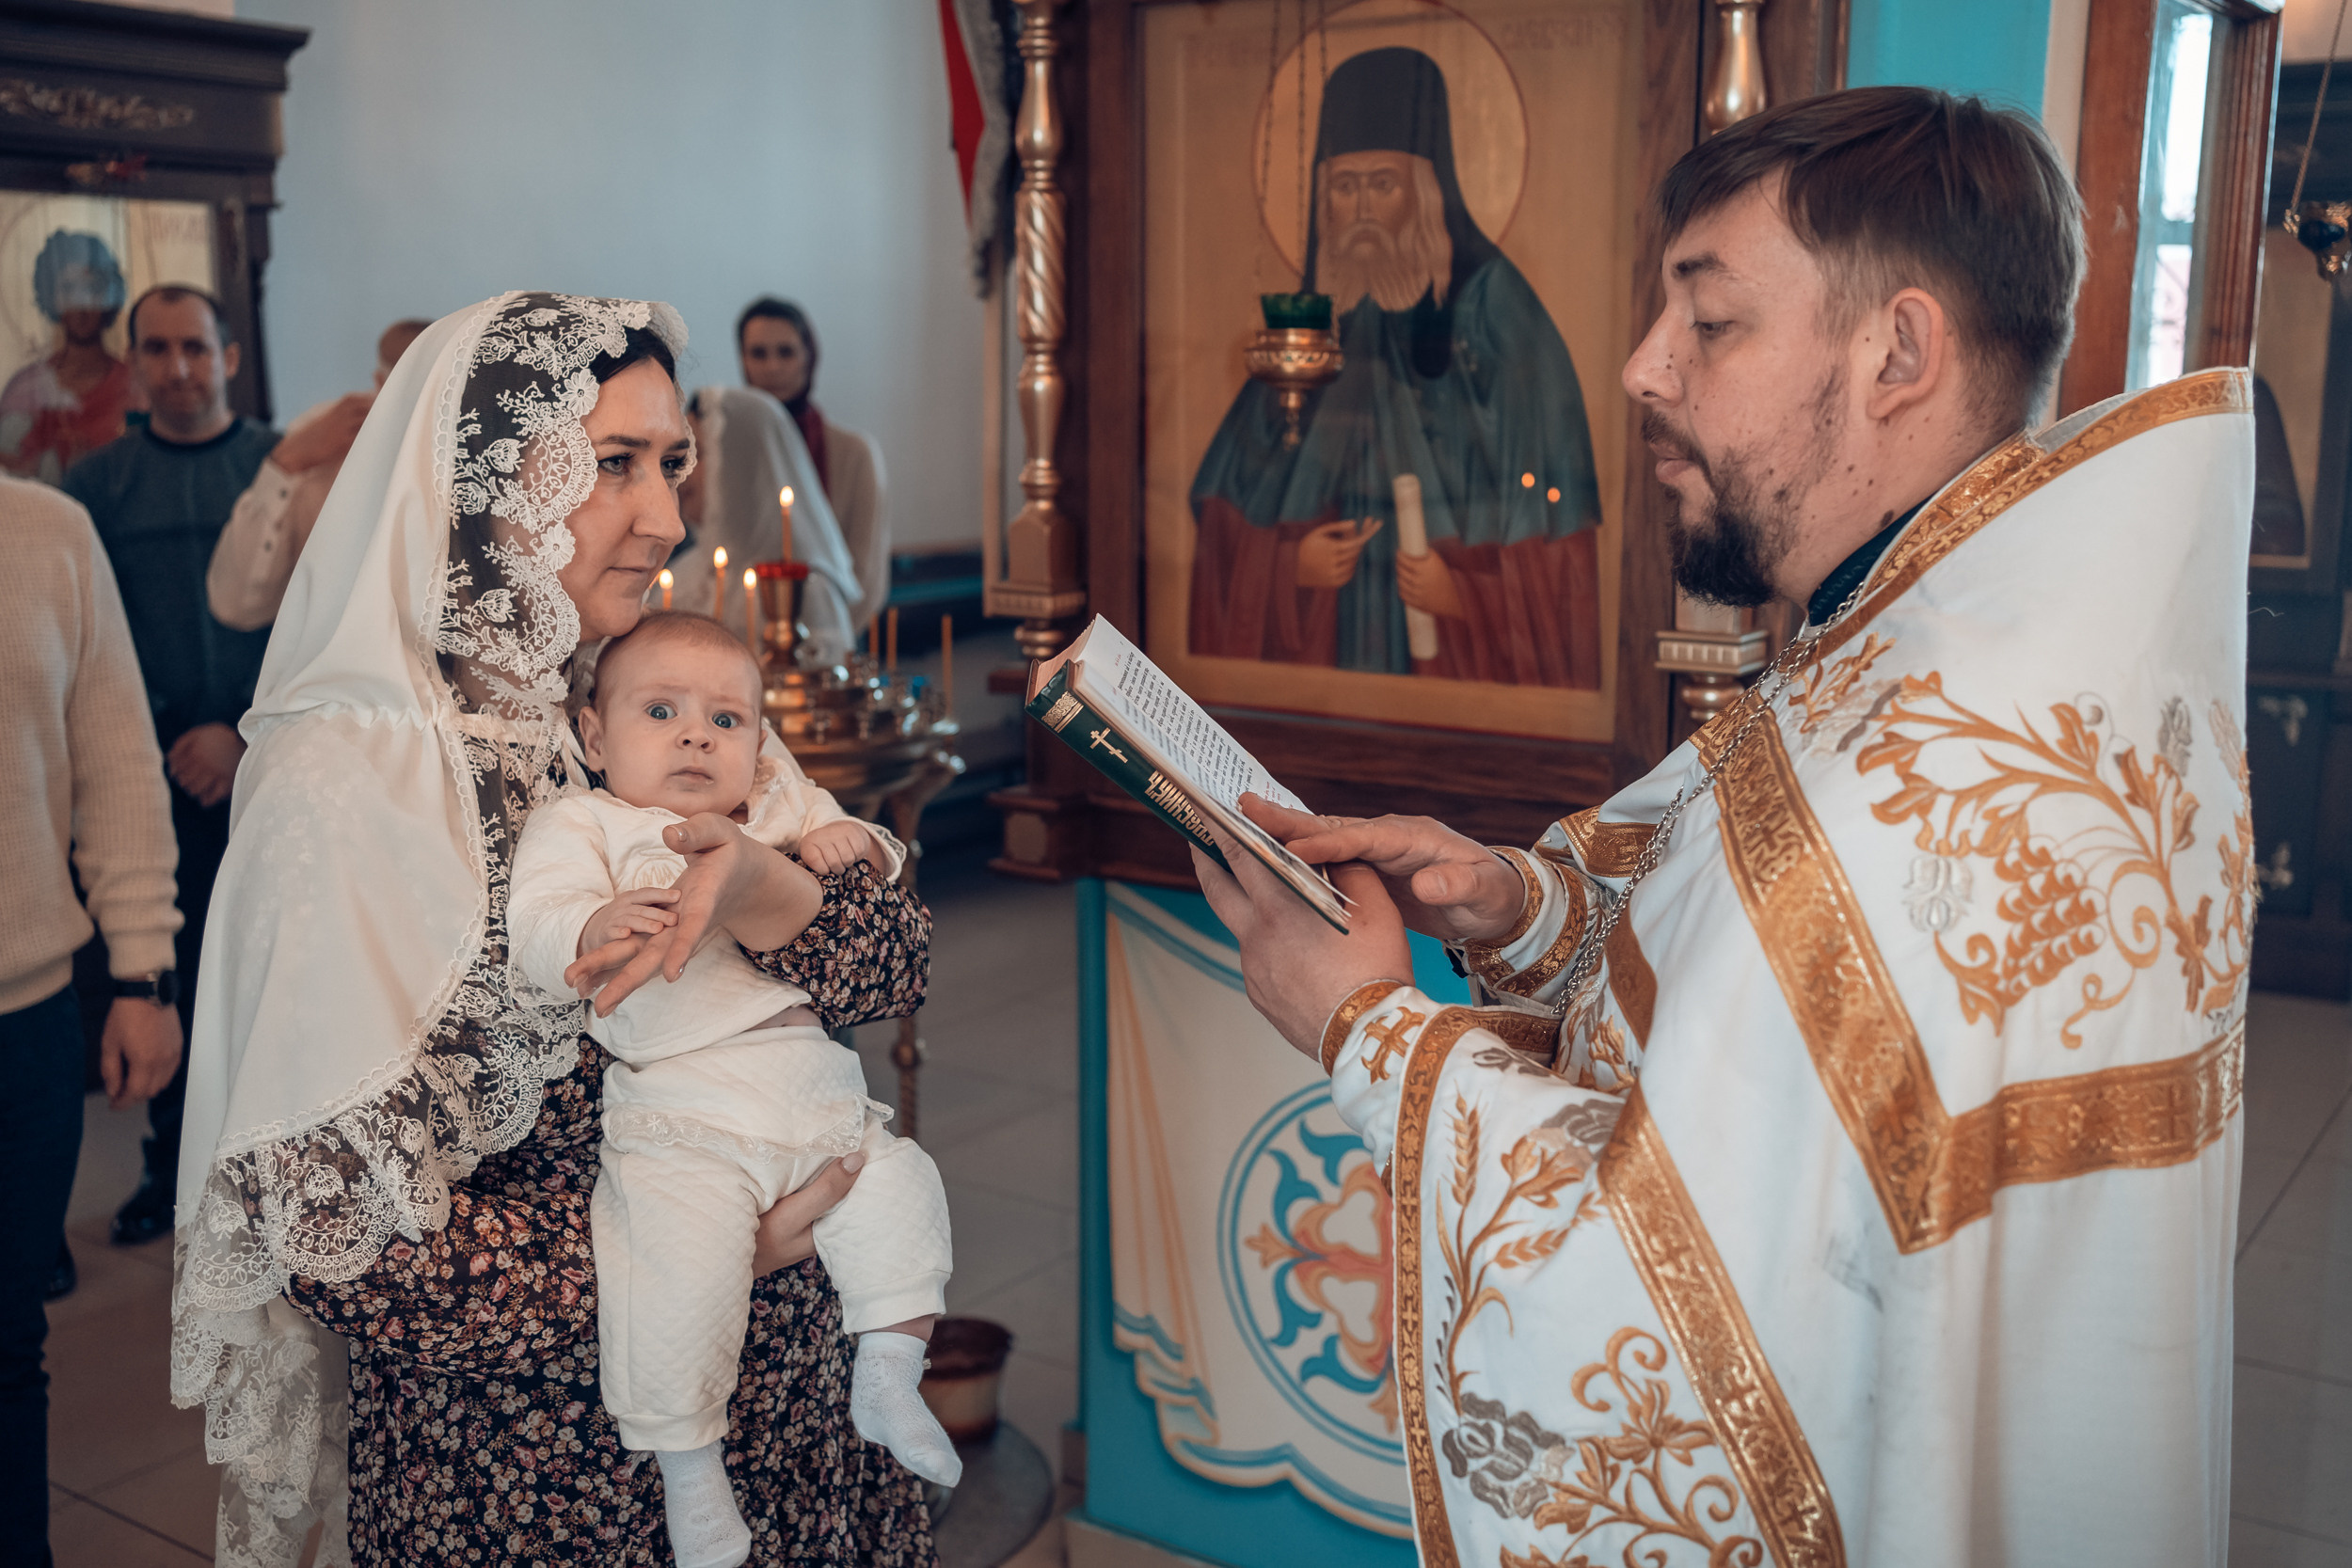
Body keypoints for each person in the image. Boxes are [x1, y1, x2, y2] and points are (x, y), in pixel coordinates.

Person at [1197, 88, 2249, 1566]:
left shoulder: (1930, 772)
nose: (1641, 366)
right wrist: (1515, 902)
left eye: (1712, 321)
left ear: (1898, 352)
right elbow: (1741, 931)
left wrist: (1366, 1024)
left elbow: (1672, 1327)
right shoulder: (1966, 657)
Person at [168, 293, 937, 1568]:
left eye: (672, 462)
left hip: (793, 1400)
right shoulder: (351, 782)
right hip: (546, 1464)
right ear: (478, 487)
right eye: (609, 465)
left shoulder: (635, 695)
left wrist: (771, 890)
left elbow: (893, 958)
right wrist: (711, 1247)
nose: (669, 516)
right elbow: (327, 1230)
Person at [510, 610, 957, 1566]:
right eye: (660, 710)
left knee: (901, 1186)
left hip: (811, 1089)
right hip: (682, 1111)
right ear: (593, 735)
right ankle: (690, 1474)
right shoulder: (582, 822)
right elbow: (536, 922)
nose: (693, 735)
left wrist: (852, 841)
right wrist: (591, 921)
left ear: (758, 743)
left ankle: (889, 1365)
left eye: (724, 719)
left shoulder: (771, 805)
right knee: (676, 1277)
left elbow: (876, 853)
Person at [1188, 46, 1604, 687]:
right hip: (1323, 684)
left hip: (1455, 682)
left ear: (1426, 192)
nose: (1359, 213)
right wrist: (1289, 565)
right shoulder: (1310, 331)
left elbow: (1559, 543)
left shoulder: (1498, 312)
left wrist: (1465, 596)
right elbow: (1222, 507)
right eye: (1344, 188)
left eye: (1382, 184)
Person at [61, 285, 278, 1249]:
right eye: (157, 348)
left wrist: (242, 732)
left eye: (196, 346)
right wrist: (156, 744)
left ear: (229, 355)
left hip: (267, 763)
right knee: (168, 968)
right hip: (147, 772)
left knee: (268, 968)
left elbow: (311, 621)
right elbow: (84, 637)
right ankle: (170, 1162)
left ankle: (270, 1165)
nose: (179, 365)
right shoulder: (96, 485)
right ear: (136, 362)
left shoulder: (279, 465)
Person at [0, 474, 183, 1568]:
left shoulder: (47, 530)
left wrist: (142, 974)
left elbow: (115, 762)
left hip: (22, 1013)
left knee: (9, 1342)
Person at [206, 317, 431, 631]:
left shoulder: (490, 453)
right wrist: (285, 463)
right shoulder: (321, 436)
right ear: (380, 381)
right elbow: (234, 604)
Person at [669, 382, 866, 662]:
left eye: (698, 454)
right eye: (680, 456)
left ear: (741, 465)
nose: (683, 471)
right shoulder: (681, 579)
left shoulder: (805, 591)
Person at [738, 298, 890, 628]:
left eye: (786, 352)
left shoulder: (855, 454)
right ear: (743, 361)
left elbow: (868, 575)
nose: (773, 367)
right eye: (759, 354)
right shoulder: (725, 452)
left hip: (831, 641)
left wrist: (817, 642)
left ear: (810, 357)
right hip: (740, 635)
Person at [0, 230, 146, 485]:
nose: (81, 303)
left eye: (91, 288)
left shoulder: (135, 387)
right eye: (69, 288)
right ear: (50, 295)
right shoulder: (25, 390)